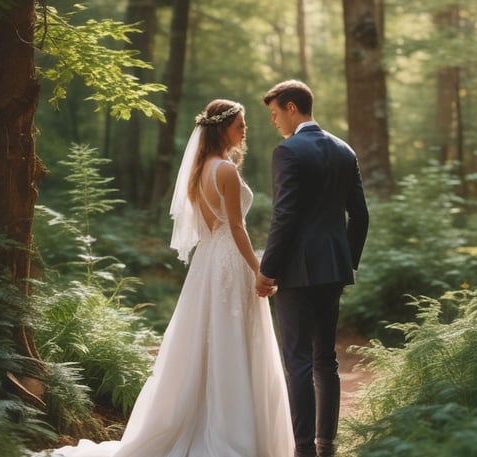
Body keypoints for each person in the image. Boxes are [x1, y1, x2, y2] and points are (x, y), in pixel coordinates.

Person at [41, 99, 294, 457]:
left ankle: (210, 417)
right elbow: (236, 227)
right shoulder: (224, 170)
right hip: (228, 262)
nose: (245, 129)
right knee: (233, 338)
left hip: (207, 263)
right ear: (222, 127)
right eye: (240, 123)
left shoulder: (199, 169)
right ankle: (232, 429)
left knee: (213, 338)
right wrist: (258, 268)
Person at [255, 80, 369, 457]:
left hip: (297, 272)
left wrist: (267, 269)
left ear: (291, 107)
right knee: (326, 361)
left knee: (298, 361)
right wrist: (345, 262)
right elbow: (361, 216)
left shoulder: (288, 152)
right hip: (334, 269)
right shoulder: (345, 150)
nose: (274, 122)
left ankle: (302, 448)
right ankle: (326, 446)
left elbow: (284, 215)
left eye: (274, 113)